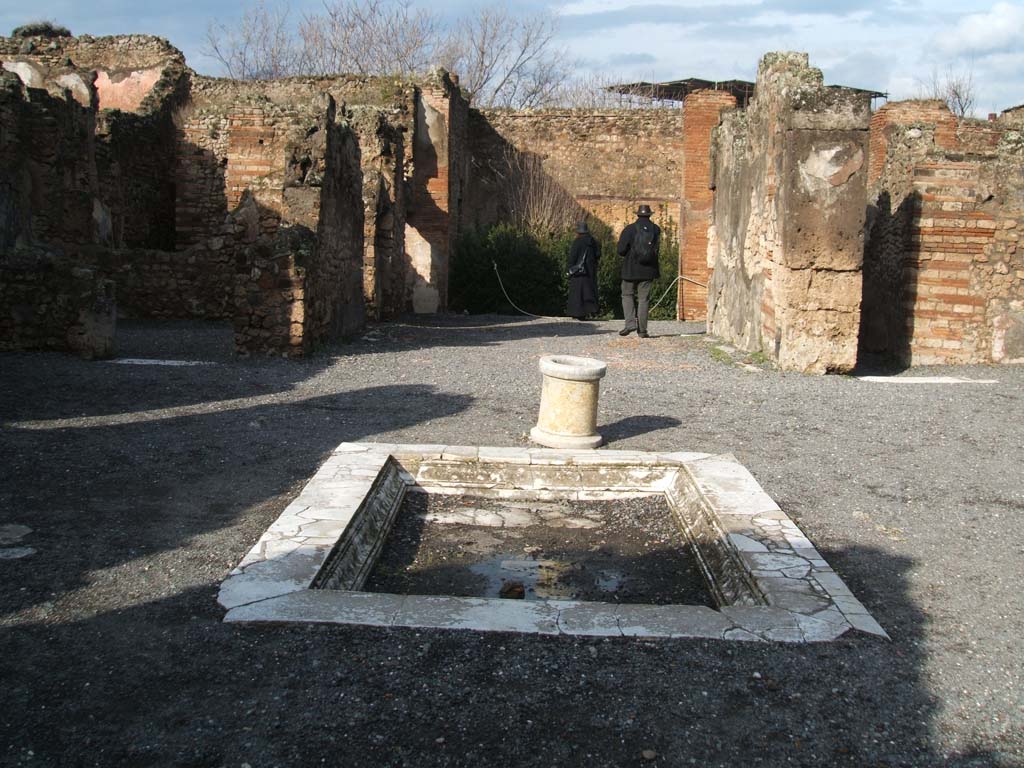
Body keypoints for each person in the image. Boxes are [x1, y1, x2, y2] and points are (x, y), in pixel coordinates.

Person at [617, 204, 661, 338]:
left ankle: (630, 323)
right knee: (644, 299)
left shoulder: (630, 229)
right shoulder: (656, 229)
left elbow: (621, 250)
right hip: (648, 269)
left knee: (627, 295)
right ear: (649, 215)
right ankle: (642, 330)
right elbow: (656, 250)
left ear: (638, 214)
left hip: (631, 269)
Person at [566, 221, 600, 320]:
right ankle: (588, 312)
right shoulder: (593, 241)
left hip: (578, 271)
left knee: (577, 294)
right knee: (588, 292)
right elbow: (597, 255)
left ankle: (577, 313)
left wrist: (569, 268)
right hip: (590, 271)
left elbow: (573, 256)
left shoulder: (577, 242)